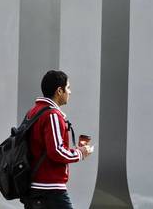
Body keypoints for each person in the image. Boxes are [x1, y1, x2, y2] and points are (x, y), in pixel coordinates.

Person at [23, 70, 94, 209]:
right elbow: (56, 151)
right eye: (68, 88)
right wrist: (80, 153)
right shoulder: (52, 115)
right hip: (50, 190)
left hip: (33, 187)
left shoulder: (33, 111)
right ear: (59, 91)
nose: (70, 92)